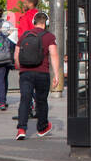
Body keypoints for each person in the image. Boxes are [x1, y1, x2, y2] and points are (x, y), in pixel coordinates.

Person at [14, 11, 60, 140]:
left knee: (25, 99)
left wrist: (20, 68)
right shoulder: (49, 37)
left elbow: (16, 56)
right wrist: (56, 75)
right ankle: (42, 127)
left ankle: (21, 129)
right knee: (41, 101)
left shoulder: (24, 36)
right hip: (42, 73)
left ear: (34, 22)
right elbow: (54, 55)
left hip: (25, 73)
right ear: (46, 23)